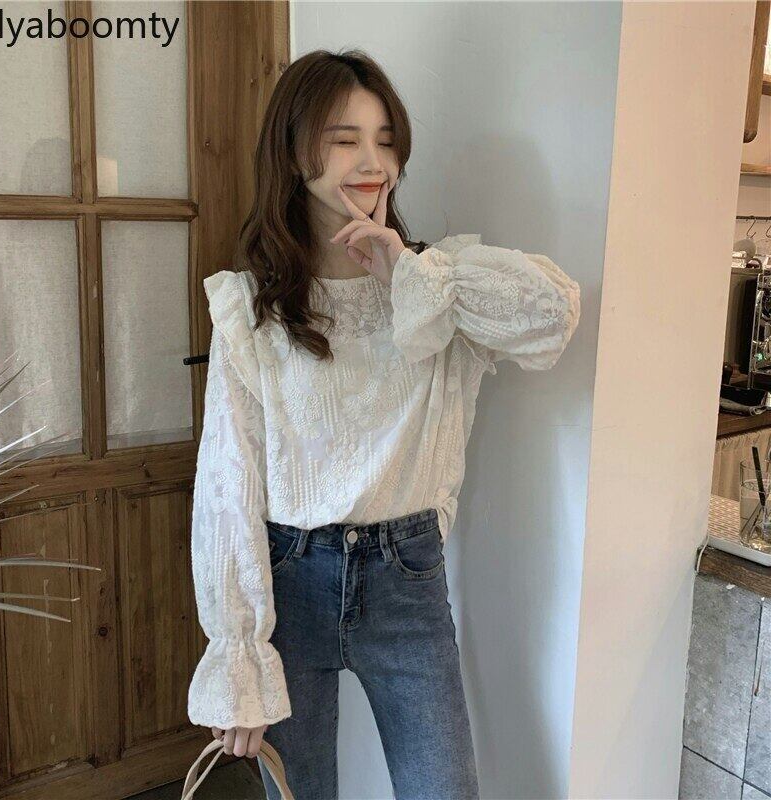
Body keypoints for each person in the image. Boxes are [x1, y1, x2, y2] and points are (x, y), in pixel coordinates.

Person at [187, 48, 581, 800]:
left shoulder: (434, 284)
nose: (373, 162)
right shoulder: (254, 309)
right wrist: (238, 663)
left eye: (386, 140)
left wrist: (407, 272)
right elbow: (227, 484)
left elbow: (553, 315)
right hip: (291, 580)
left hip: (408, 581)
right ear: (293, 152)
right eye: (345, 139)